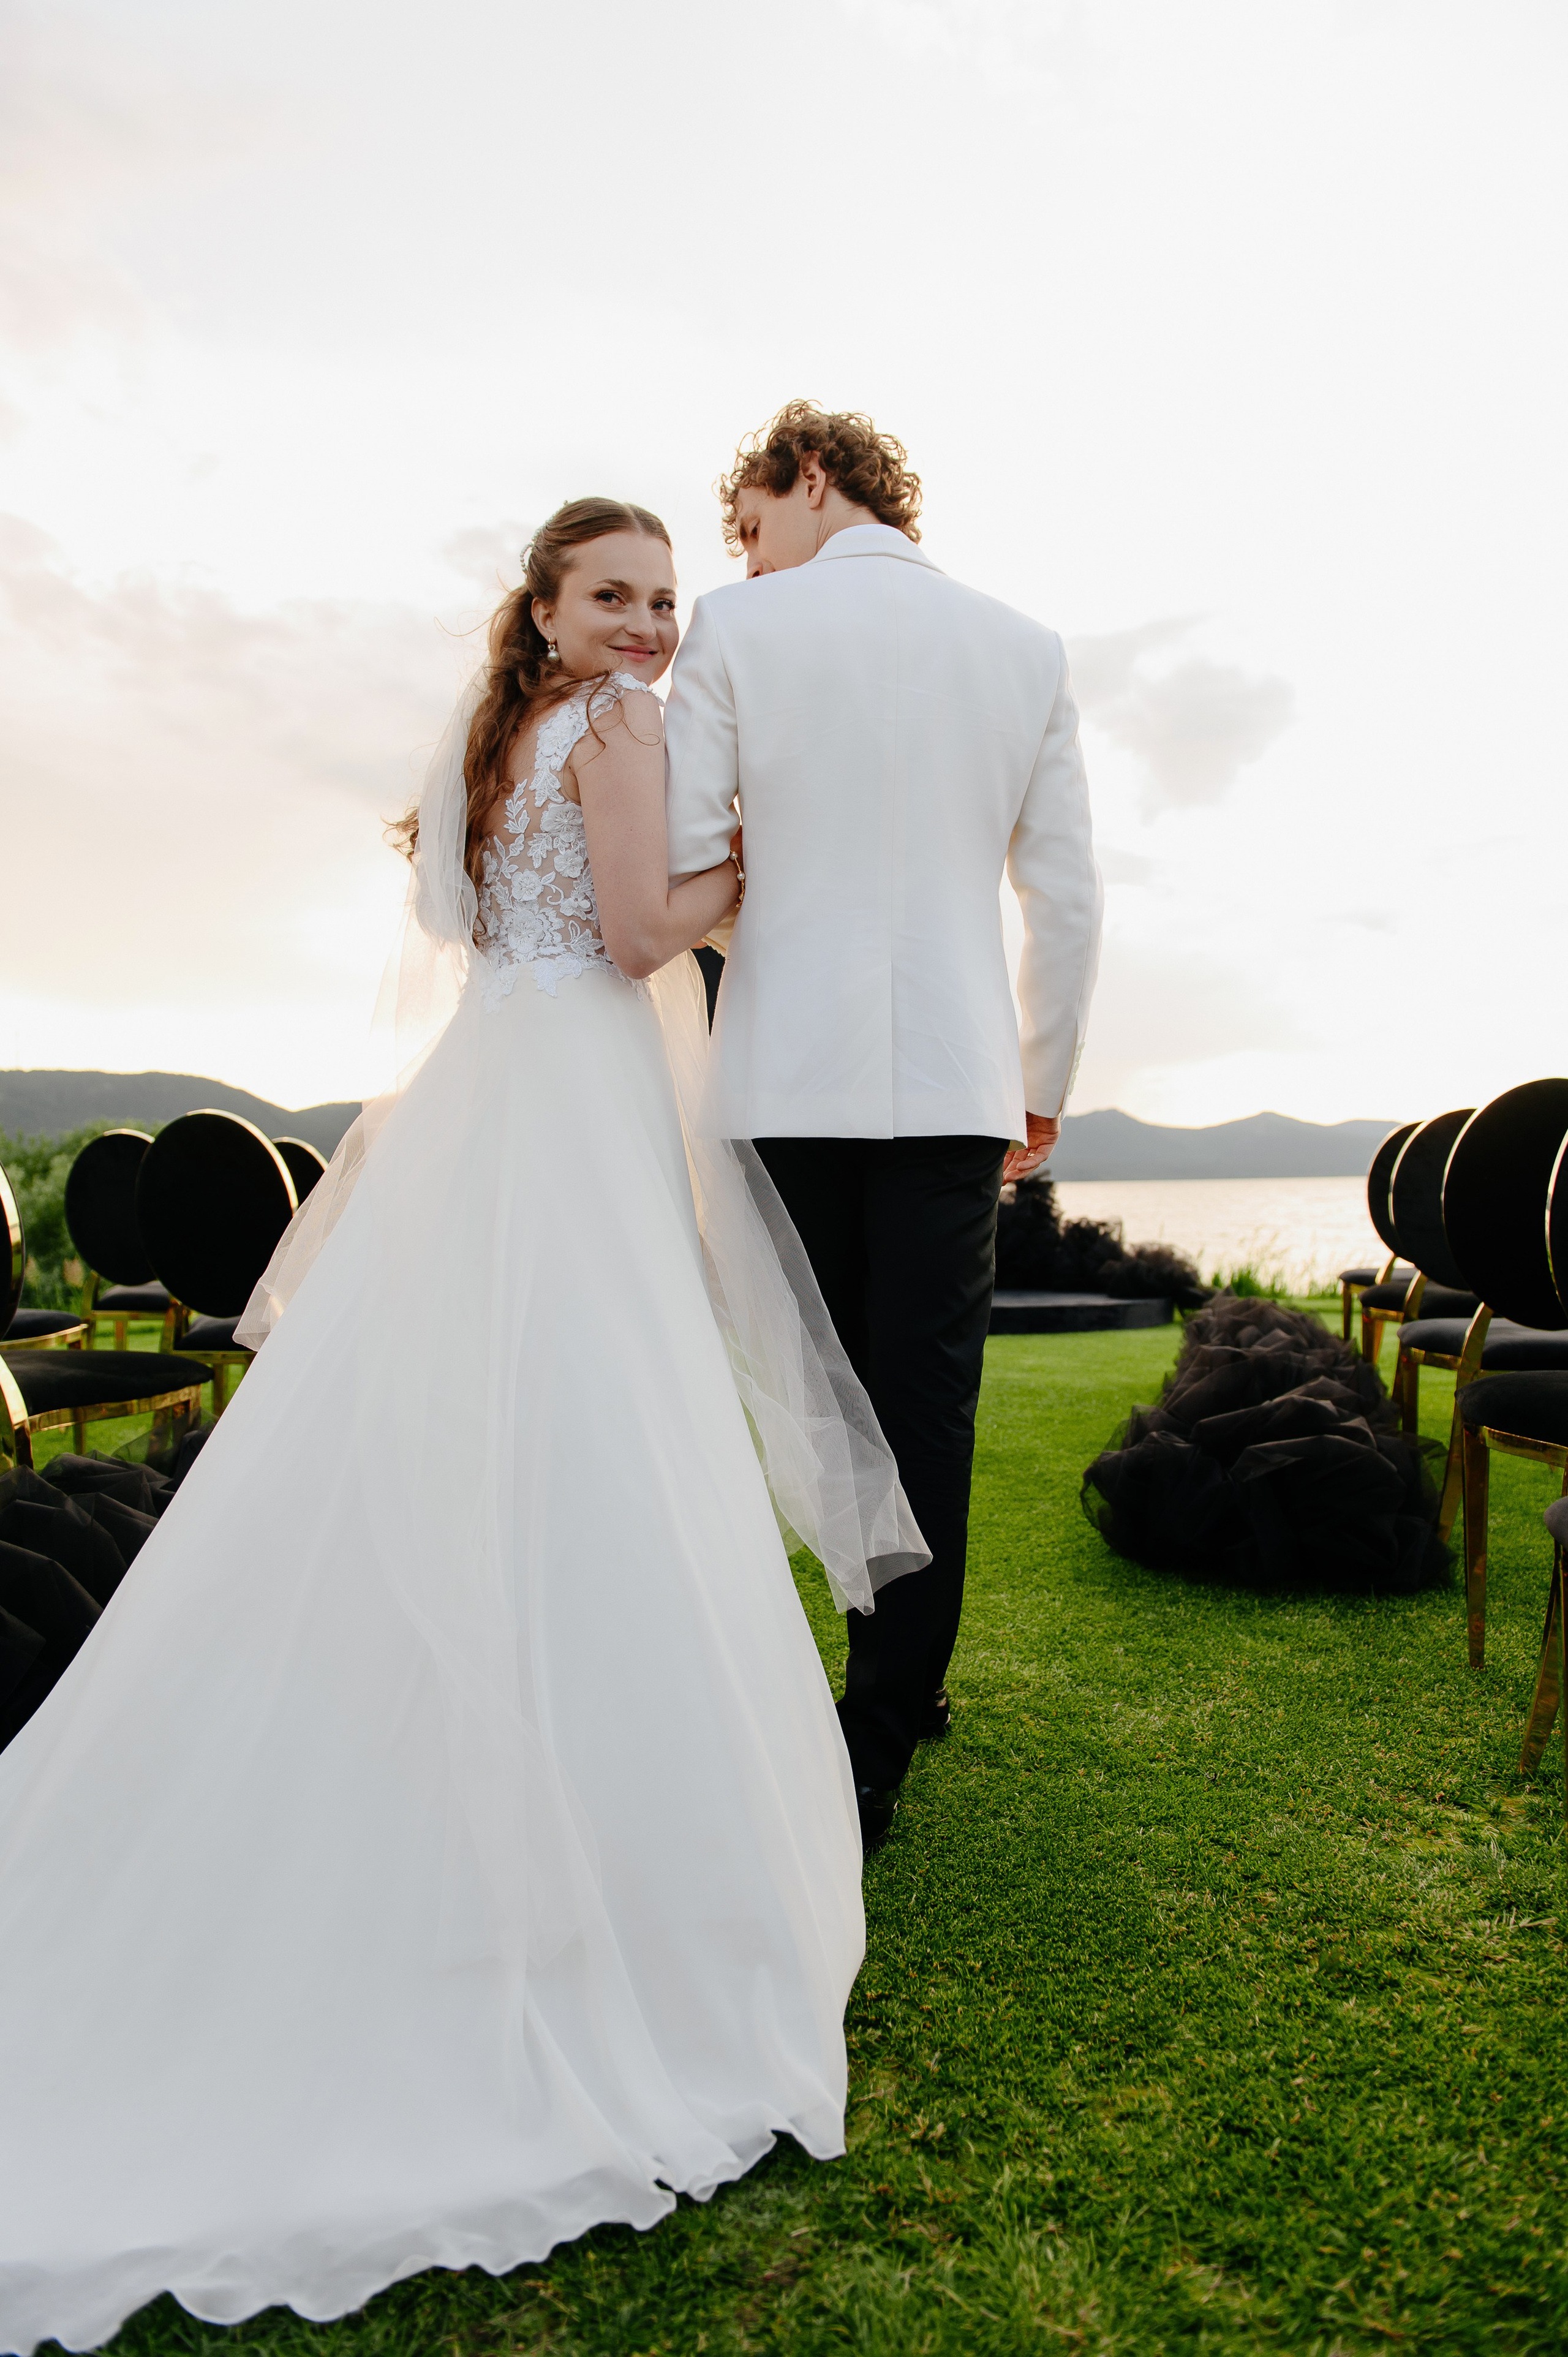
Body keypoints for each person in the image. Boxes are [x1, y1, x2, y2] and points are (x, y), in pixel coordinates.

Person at [0, 497, 925, 2356]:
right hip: (572, 1092)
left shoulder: (505, 730)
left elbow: (484, 916)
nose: (653, 623)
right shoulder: (622, 728)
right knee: (606, 1421)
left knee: (498, 1418)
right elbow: (648, 930)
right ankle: (596, 1863)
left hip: (500, 1086)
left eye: (667, 598)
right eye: (618, 596)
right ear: (553, 607)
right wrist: (768, 866)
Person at [665, 404, 1102, 1849]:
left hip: (783, 1076)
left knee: (801, 1396)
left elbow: (680, 856)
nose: (746, 553)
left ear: (807, 477)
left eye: (748, 522)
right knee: (921, 1407)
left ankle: (824, 1703)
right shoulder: (1024, 647)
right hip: (954, 1089)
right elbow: (1067, 898)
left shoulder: (735, 631)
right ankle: (887, 1718)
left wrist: (783, 900)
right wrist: (1034, 1078)